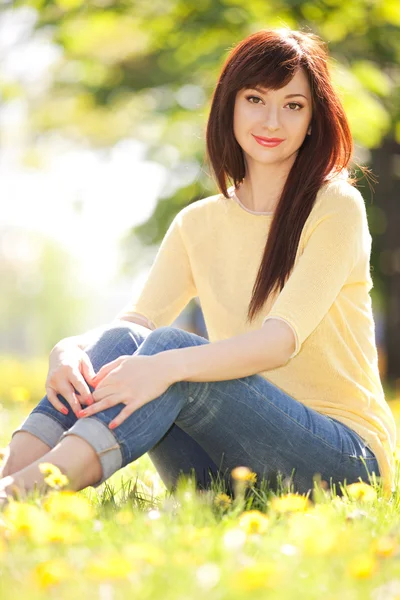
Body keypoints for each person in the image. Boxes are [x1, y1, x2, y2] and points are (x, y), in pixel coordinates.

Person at [0, 27, 396, 504]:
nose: (272, 120)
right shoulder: (198, 222)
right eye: (255, 99)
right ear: (230, 104)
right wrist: (68, 349)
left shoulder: (336, 206)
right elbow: (135, 323)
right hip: (231, 470)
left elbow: (280, 342)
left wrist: (167, 365)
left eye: (293, 105)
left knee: (169, 355)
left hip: (343, 463)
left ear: (313, 118)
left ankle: (24, 493)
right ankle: (10, 476)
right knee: (129, 343)